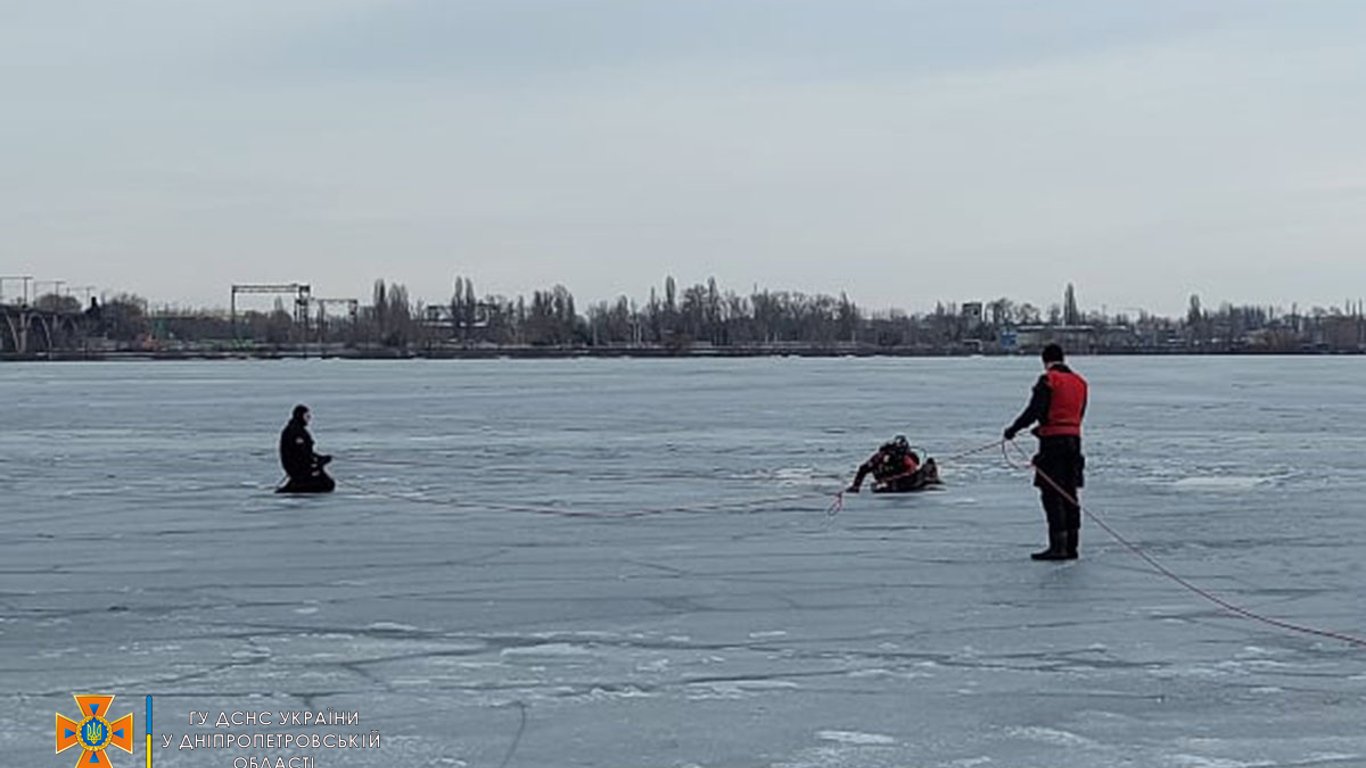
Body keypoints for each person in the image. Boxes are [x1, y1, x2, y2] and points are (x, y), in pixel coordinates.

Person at [1004, 343, 1088, 560]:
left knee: (1052, 494)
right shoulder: (1080, 383)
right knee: (1070, 493)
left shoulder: (1049, 380)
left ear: (1045, 361)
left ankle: (1057, 546)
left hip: (1052, 446)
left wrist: (1013, 430)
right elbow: (1077, 414)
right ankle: (1071, 546)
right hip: (1074, 442)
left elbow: (1035, 409)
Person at [846, 435, 941, 493]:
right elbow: (864, 469)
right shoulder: (880, 458)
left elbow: (911, 471)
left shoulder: (908, 459)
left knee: (929, 464)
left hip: (902, 479)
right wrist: (856, 486)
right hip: (885, 478)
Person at [277, 404, 335, 494]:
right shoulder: (294, 431)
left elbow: (307, 452)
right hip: (298, 468)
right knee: (326, 484)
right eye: (307, 416)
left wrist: (320, 459)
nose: (309, 419)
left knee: (328, 483)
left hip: (303, 467)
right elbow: (300, 453)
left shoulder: (300, 429)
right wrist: (315, 462)